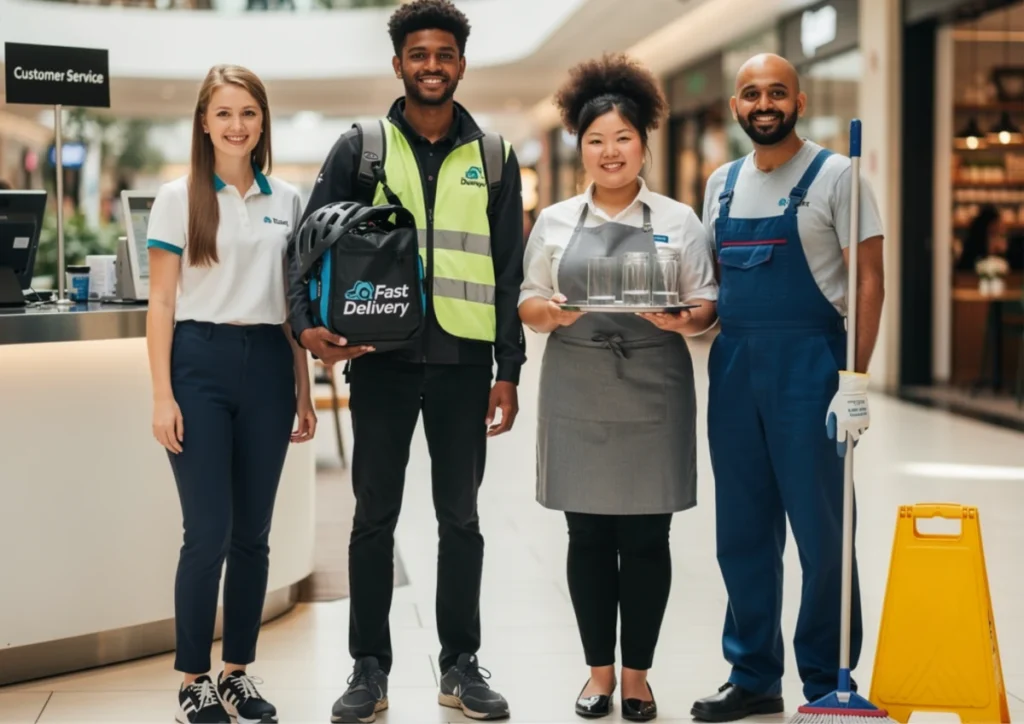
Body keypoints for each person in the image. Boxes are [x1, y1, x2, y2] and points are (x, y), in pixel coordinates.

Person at [285, 1, 526, 721]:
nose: (431, 65)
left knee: (462, 519)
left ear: (460, 62)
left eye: (443, 54)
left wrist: (508, 369)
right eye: (418, 54)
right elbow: (306, 252)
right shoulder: (361, 149)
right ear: (399, 64)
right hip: (381, 362)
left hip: (463, 363)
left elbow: (509, 271)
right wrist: (305, 330)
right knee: (372, 519)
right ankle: (369, 667)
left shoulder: (493, 157)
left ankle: (460, 664)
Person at [519, 53, 719, 722]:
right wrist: (553, 312)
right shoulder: (552, 221)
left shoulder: (678, 219)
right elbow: (527, 300)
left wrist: (683, 318)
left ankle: (637, 677)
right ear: (581, 146)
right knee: (587, 535)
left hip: (654, 386)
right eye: (596, 139)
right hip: (577, 384)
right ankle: (598, 673)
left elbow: (707, 303)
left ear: (644, 145)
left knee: (645, 538)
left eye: (622, 139)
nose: (610, 152)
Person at [689, 53, 885, 723]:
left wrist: (855, 379)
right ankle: (752, 675)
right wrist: (689, 315)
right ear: (736, 105)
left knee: (823, 531)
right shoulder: (720, 182)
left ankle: (827, 677)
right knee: (741, 531)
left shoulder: (840, 177)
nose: (763, 102)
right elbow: (718, 287)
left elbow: (869, 282)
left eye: (776, 92)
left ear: (799, 101)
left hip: (812, 366)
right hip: (736, 365)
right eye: (750, 93)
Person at [146, 63, 316, 724]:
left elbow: (292, 309)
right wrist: (162, 395)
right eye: (224, 113)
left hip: (270, 366)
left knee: (253, 534)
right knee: (208, 531)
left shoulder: (289, 200)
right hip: (199, 364)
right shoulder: (176, 196)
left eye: (248, 112)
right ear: (203, 122)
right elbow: (160, 303)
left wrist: (303, 388)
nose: (237, 125)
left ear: (262, 120)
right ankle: (193, 678)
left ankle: (237, 671)